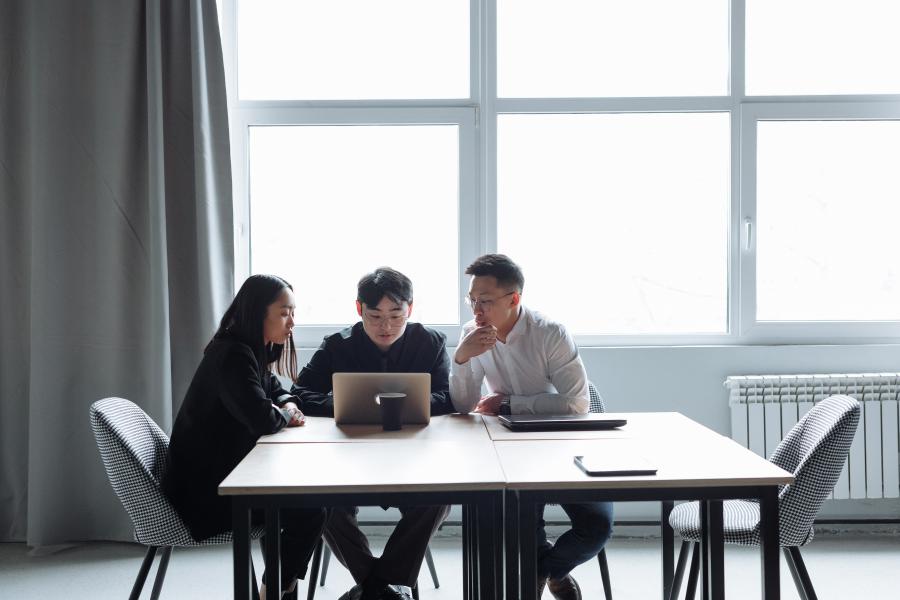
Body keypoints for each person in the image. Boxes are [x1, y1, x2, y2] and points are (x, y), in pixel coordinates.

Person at [450, 254, 613, 600]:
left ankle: (546, 570)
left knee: (597, 526)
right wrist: (461, 359)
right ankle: (537, 575)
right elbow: (463, 406)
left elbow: (578, 404)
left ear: (514, 300)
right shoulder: (471, 334)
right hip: (509, 447)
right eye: (472, 300)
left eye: (486, 302)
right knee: (519, 523)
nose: (476, 310)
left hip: (564, 443)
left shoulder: (549, 333)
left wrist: (509, 404)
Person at [291, 267, 452, 600]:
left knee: (441, 498)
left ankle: (374, 588)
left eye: (396, 315)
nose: (386, 326)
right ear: (358, 309)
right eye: (375, 316)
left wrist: (399, 402)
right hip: (347, 458)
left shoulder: (430, 342)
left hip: (413, 457)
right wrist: (340, 402)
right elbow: (299, 393)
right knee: (319, 503)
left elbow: (448, 397)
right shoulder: (337, 345)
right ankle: (384, 589)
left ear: (410, 308)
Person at [163, 274, 327, 600]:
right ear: (257, 312)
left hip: (226, 476)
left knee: (315, 504)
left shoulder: (249, 350)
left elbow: (274, 391)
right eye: (284, 312)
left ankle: (280, 585)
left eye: (293, 312)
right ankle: (274, 590)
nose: (292, 322)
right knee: (313, 508)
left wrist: (287, 404)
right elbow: (262, 418)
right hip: (208, 496)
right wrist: (284, 414)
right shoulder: (233, 354)